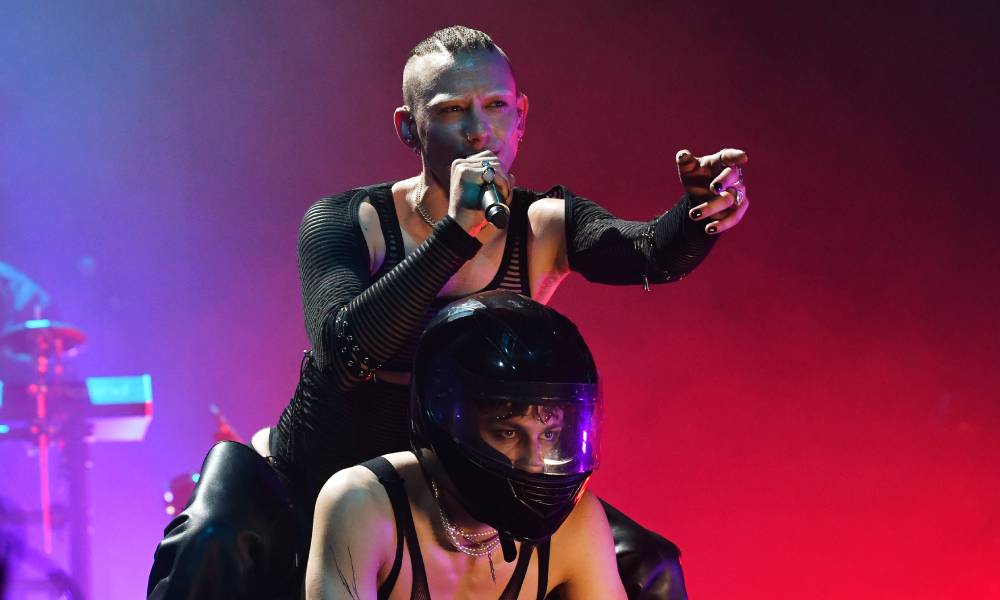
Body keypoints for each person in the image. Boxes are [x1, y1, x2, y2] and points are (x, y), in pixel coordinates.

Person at [148, 25, 750, 599]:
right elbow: (344, 352)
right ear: (409, 128)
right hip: (316, 477)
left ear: (522, 118)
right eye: (451, 110)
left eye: (495, 106)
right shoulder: (344, 222)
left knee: (650, 566)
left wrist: (697, 216)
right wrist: (457, 235)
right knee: (211, 541)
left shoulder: (540, 225)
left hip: (456, 488)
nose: (478, 130)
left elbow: (644, 251)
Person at [306, 291, 625, 599]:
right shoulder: (362, 505)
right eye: (508, 434)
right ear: (446, 419)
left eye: (549, 434)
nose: (534, 462)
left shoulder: (577, 525)